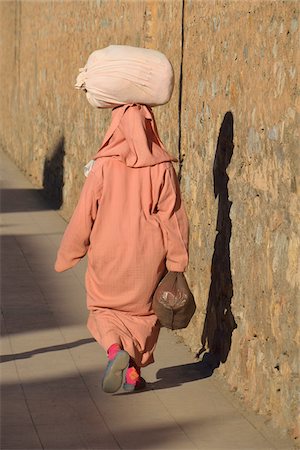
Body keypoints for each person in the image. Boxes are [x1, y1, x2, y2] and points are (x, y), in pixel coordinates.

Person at [55, 47, 189, 393]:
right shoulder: (162, 167)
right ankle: (133, 372)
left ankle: (115, 350)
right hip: (148, 258)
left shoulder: (104, 165)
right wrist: (177, 260)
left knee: (103, 310)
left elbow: (86, 211)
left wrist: (70, 250)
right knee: (143, 316)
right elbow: (172, 216)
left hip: (107, 254)